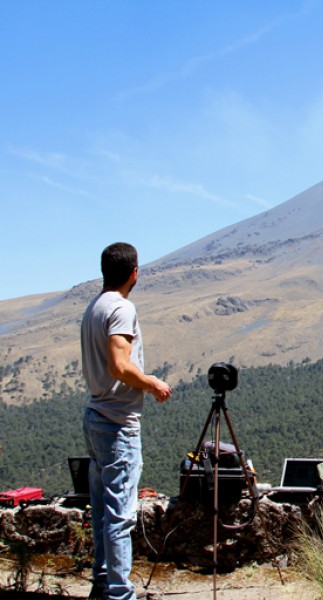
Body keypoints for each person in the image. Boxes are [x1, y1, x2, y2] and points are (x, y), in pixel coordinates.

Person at [80, 242, 172, 600]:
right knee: (120, 515)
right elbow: (120, 365)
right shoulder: (120, 308)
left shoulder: (94, 307)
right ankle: (120, 594)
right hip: (117, 423)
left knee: (103, 510)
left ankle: (102, 585)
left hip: (95, 416)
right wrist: (153, 384)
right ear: (135, 272)